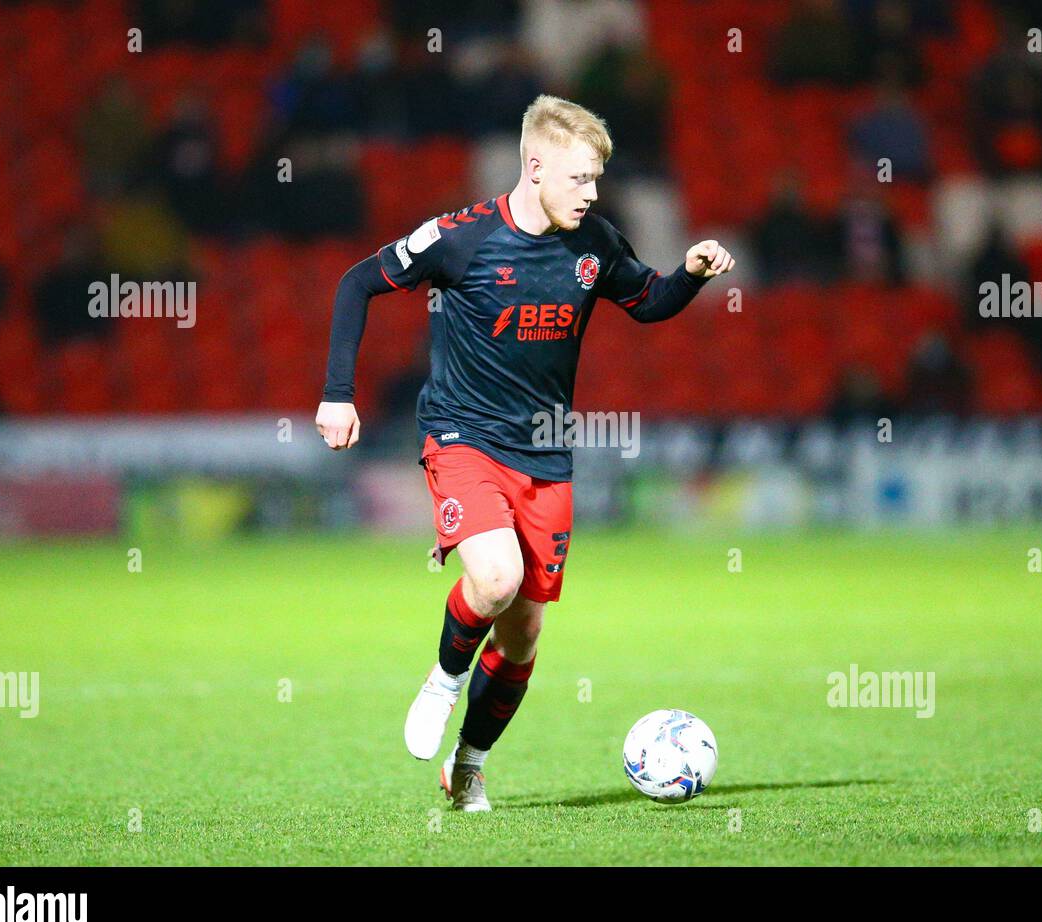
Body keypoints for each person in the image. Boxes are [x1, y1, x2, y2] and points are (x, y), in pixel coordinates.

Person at [315, 95, 735, 811]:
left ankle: (469, 764)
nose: (592, 193)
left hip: (544, 454)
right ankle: (442, 681)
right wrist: (336, 393)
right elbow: (359, 281)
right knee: (498, 576)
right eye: (579, 179)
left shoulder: (594, 244)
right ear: (535, 166)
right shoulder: (462, 237)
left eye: (597, 179)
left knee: (522, 637)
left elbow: (650, 303)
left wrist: (690, 274)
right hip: (462, 437)